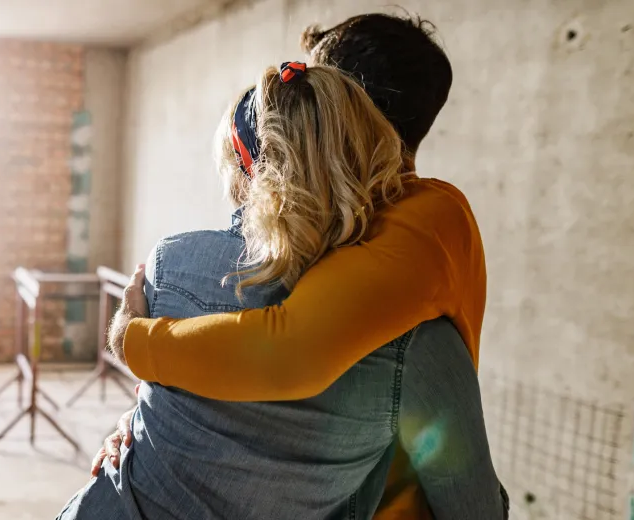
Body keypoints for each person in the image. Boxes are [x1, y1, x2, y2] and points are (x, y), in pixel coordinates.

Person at [96, 14, 506, 519]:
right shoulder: (353, 231)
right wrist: (146, 419)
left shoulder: (422, 221)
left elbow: (287, 349)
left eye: (317, 85)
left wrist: (133, 340)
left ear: (344, 103)